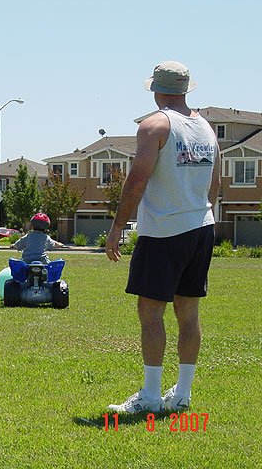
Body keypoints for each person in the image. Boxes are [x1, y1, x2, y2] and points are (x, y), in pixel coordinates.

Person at [105, 61, 221, 414]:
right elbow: (215, 185)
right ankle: (182, 394)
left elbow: (136, 181)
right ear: (185, 89)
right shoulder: (206, 129)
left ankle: (152, 396)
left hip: (163, 232)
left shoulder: (153, 125)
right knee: (189, 312)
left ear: (156, 90)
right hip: (201, 226)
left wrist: (117, 226)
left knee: (151, 311)